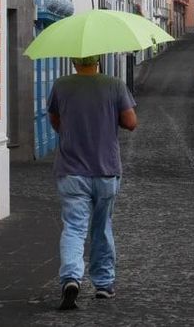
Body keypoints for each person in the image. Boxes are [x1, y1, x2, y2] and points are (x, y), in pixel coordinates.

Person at [48, 54, 138, 310]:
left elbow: (56, 120)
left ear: (75, 62)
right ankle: (103, 283)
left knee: (74, 228)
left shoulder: (61, 86)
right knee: (101, 227)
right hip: (106, 169)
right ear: (97, 60)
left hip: (71, 170)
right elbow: (131, 123)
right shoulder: (114, 85)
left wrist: (71, 133)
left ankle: (71, 278)